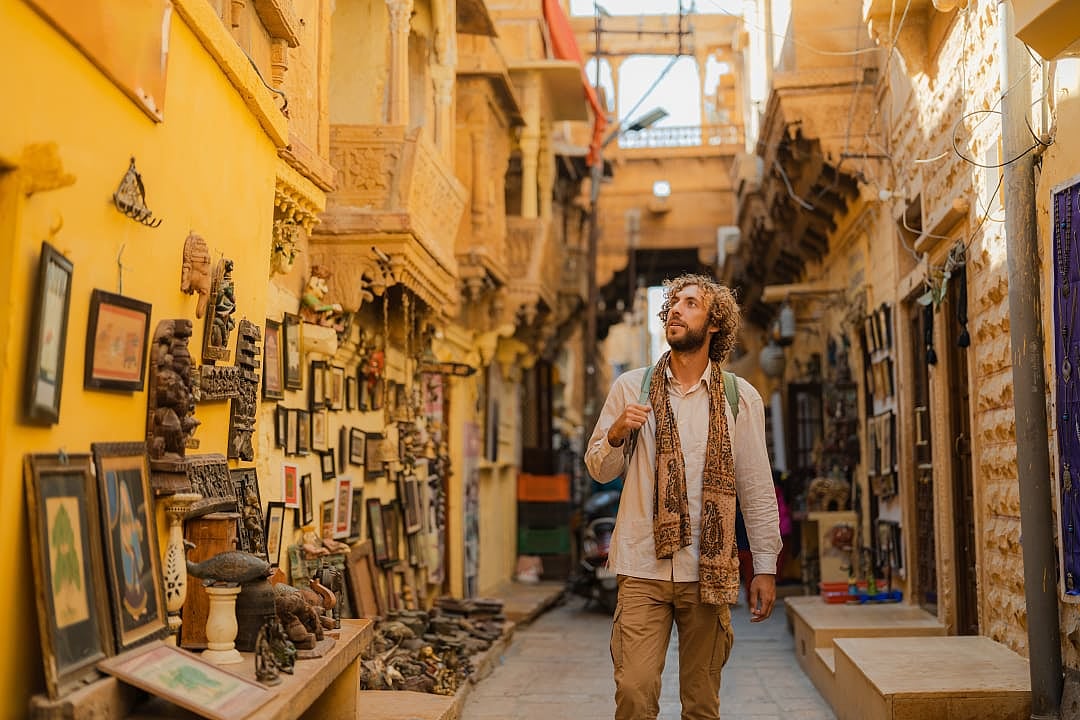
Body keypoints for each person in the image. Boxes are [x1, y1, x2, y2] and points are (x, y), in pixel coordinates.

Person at [585, 273, 782, 720]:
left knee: (701, 704)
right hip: (642, 566)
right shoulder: (631, 388)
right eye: (673, 302)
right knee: (633, 693)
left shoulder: (740, 398)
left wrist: (765, 567)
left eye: (691, 303)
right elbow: (599, 469)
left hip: (707, 572)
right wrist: (616, 433)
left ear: (714, 323)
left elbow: (756, 487)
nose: (676, 308)